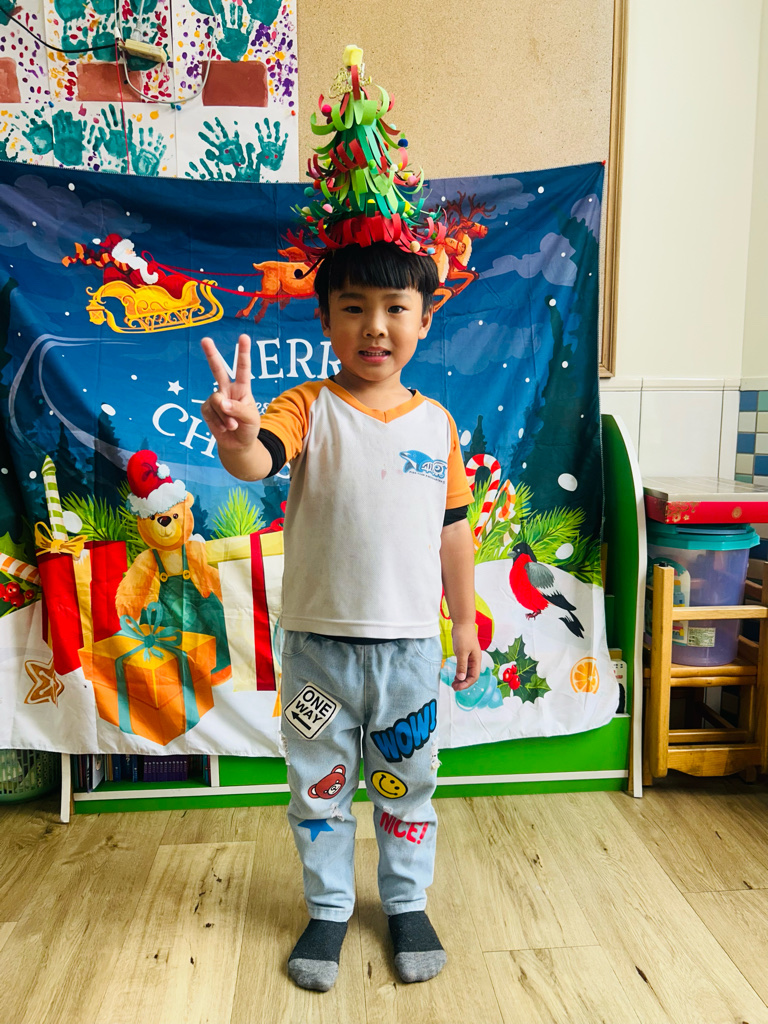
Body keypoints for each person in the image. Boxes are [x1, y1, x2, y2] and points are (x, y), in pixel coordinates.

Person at [200, 45, 482, 993]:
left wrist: (466, 621)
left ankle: (405, 901)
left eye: (395, 307)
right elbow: (256, 463)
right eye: (353, 308)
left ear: (424, 318)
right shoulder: (306, 408)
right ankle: (326, 910)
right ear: (324, 318)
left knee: (407, 785)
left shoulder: (439, 424)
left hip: (409, 652)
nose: (375, 326)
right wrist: (240, 434)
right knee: (317, 786)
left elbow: (453, 530)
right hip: (318, 652)